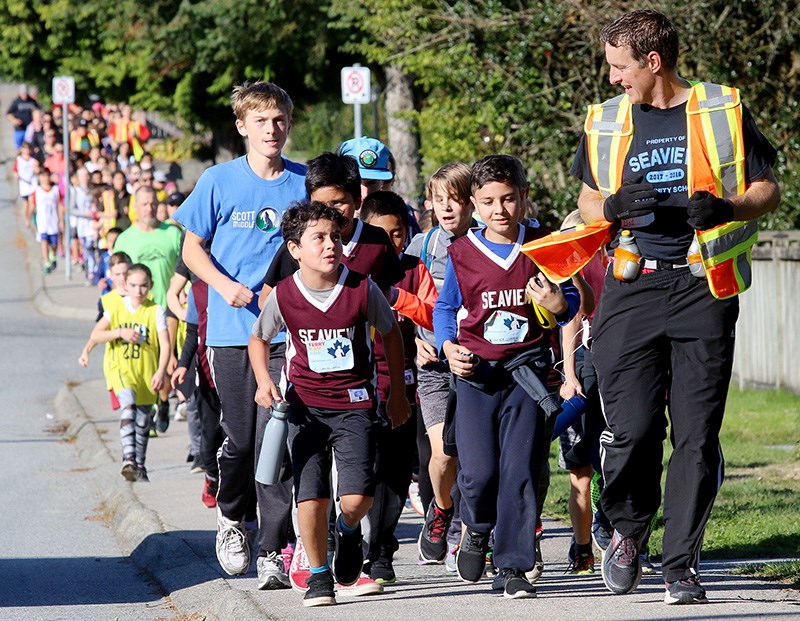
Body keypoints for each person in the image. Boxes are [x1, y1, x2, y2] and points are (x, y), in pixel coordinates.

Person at [571, 9, 780, 605]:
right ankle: (629, 532)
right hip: (632, 288)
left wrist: (728, 209)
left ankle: (681, 563)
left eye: (620, 67)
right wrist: (612, 207)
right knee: (632, 429)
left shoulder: (722, 111)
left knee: (695, 435)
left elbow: (769, 188)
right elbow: (587, 204)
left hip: (702, 288)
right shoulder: (608, 121)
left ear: (652, 62)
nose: (613, 79)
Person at [172, 81, 306, 589]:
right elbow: (190, 249)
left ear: (288, 124)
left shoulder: (303, 182)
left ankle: (274, 545)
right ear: (242, 126)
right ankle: (232, 518)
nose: (272, 129)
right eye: (261, 120)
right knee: (242, 438)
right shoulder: (218, 181)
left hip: (287, 333)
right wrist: (224, 286)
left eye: (279, 120)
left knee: (279, 436)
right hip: (231, 329)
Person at [248, 202, 412, 607]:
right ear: (294, 249)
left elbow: (390, 334)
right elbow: (258, 338)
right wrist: (265, 381)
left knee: (357, 498)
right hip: (304, 409)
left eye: (335, 237)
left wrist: (397, 395)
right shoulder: (285, 295)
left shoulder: (361, 288)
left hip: (355, 404)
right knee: (311, 496)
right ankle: (319, 577)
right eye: (318, 238)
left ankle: (348, 529)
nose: (330, 245)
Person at [432, 154, 580, 599]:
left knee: (519, 470)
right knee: (478, 474)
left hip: (527, 376)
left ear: (523, 198)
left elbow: (570, 300)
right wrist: (447, 346)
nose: (499, 210)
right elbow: (443, 309)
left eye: (508, 199)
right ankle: (476, 528)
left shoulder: (544, 243)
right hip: (477, 376)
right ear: (474, 205)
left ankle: (514, 564)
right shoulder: (462, 252)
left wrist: (558, 305)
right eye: (489, 201)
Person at [359, 191, 438, 584]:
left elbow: (432, 311)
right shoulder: (351, 268)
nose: (396, 243)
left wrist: (398, 298)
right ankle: (352, 543)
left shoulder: (412, 268)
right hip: (358, 383)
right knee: (362, 469)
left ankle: (382, 551)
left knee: (394, 469)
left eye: (401, 233)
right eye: (387, 235)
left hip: (403, 381)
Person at [405, 162, 474, 569]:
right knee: (445, 454)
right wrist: (413, 340)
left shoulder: (488, 241)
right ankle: (442, 510)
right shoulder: (424, 244)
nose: (446, 208)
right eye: (438, 200)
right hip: (433, 364)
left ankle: (466, 535)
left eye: (456, 199)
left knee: (474, 453)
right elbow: (400, 301)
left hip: (474, 361)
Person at [90, 264, 171, 482]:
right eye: (133, 285)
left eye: (143, 286)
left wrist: (161, 372)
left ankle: (140, 465)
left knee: (144, 421)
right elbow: (96, 334)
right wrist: (119, 332)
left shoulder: (155, 311)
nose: (138, 291)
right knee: (128, 407)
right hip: (121, 369)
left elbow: (165, 345)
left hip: (146, 371)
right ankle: (128, 458)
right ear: (125, 284)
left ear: (151, 286)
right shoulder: (116, 307)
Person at [114, 186, 181, 309]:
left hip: (169, 310)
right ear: (135, 207)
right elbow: (117, 279)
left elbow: (185, 270)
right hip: (138, 312)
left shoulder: (173, 233)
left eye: (153, 204)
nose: (149, 209)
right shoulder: (123, 240)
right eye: (144, 204)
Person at [28, 168, 62, 274]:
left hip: (53, 220)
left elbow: (60, 205)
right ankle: (46, 261)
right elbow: (32, 205)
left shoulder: (55, 190)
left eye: (46, 175)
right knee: (44, 240)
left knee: (54, 243)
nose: (44, 178)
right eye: (42, 176)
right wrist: (28, 219)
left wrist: (61, 220)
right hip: (42, 221)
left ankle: (53, 254)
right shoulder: (36, 191)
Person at [7, 84, 41, 150]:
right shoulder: (16, 101)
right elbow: (9, 113)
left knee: (29, 147)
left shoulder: (31, 101)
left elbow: (38, 111)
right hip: (20, 129)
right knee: (19, 147)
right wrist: (14, 120)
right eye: (23, 93)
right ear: (20, 93)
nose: (24, 95)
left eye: (25, 93)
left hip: (30, 129)